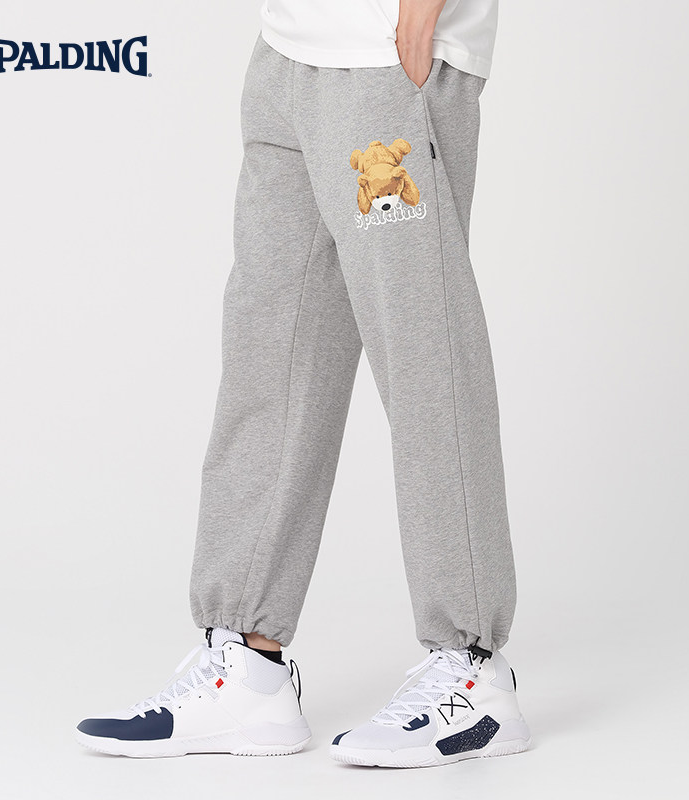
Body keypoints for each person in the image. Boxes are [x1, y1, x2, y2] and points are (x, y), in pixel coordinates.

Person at [76, 0, 531, 768]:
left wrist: (418, 17)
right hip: (286, 54)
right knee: (269, 354)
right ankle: (246, 666)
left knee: (424, 351)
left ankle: (473, 672)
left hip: (385, 62)